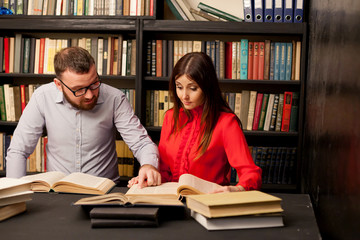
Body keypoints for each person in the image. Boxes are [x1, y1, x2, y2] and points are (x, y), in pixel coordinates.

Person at [6, 46, 161, 187]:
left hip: (104, 193)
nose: (90, 95)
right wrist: (15, 193)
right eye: (78, 89)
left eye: (94, 83)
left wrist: (149, 165)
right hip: (58, 193)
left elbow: (141, 143)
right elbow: (19, 150)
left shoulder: (114, 98)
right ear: (58, 85)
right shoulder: (42, 97)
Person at [129, 52, 262, 192]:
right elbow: (164, 171)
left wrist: (234, 190)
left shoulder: (226, 123)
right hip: (171, 201)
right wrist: (148, 178)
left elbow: (251, 173)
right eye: (179, 87)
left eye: (193, 88)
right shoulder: (170, 117)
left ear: (207, 87)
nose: (184, 95)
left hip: (208, 203)